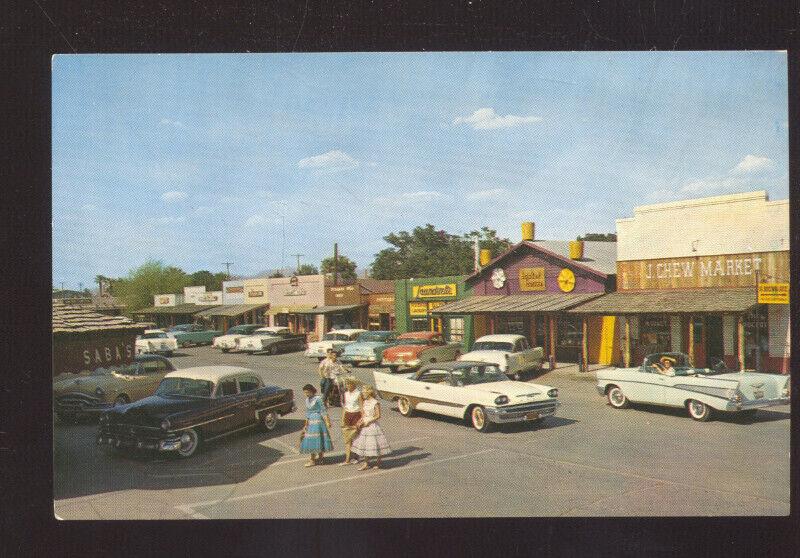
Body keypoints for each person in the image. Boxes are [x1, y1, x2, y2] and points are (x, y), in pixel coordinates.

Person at [351, 385, 391, 471]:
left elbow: (378, 415)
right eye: (363, 392)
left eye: (364, 392)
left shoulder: (375, 402)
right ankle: (366, 464)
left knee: (376, 444)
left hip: (372, 425)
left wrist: (369, 421)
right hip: (365, 425)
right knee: (365, 445)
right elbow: (364, 414)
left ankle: (378, 462)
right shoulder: (365, 402)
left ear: (369, 392)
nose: (363, 393)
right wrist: (360, 421)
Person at [299, 384, 333, 467]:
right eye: (305, 392)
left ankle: (321, 458)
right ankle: (312, 459)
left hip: (318, 420)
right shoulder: (307, 400)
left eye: (308, 392)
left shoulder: (318, 398)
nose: (306, 394)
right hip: (311, 421)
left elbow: (323, 410)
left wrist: (327, 421)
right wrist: (306, 424)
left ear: (312, 391)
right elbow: (308, 413)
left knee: (319, 438)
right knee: (311, 439)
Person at [339, 378, 362, 466]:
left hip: (356, 416)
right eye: (347, 384)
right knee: (347, 440)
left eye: (349, 384)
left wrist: (361, 420)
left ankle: (356, 457)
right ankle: (347, 460)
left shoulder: (358, 394)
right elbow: (345, 407)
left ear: (354, 385)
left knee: (356, 438)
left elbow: (361, 408)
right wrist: (342, 419)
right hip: (348, 416)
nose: (348, 386)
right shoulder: (345, 394)